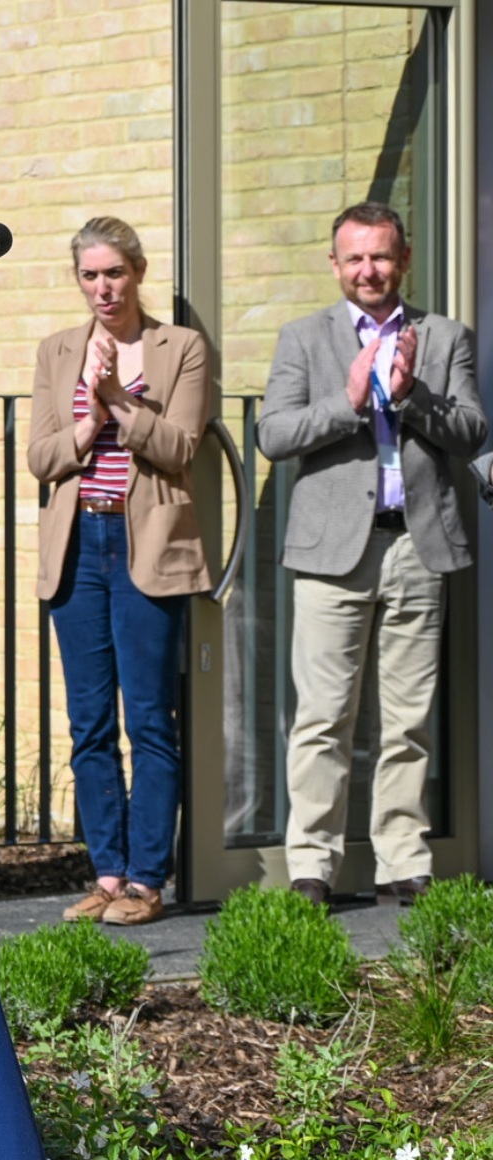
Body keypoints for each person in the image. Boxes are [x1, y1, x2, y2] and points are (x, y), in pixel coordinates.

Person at [258, 202, 487, 908]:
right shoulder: (304, 338)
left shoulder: (446, 338)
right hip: (332, 553)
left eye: (381, 256)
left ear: (405, 260)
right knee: (323, 718)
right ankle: (312, 866)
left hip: (417, 545)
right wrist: (351, 398)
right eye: (354, 258)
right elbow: (275, 433)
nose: (368, 270)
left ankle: (402, 862)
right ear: (335, 265)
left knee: (408, 720)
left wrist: (411, 395)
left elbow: (472, 428)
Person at [30, 218, 213, 926]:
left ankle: (146, 880)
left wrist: (110, 397)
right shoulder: (56, 351)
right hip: (79, 543)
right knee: (90, 723)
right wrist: (85, 423)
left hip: (147, 546)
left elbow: (179, 447)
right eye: (90, 275)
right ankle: (106, 876)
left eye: (114, 273)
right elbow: (43, 459)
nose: (103, 288)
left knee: (149, 720)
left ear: (138, 272)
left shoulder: (180, 348)